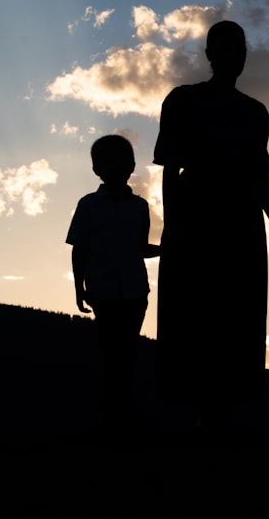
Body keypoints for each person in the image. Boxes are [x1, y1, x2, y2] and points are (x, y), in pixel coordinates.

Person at [153, 20, 269, 428]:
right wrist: (174, 222)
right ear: (211, 55)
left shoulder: (255, 112)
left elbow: (259, 177)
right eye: (228, 48)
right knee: (195, 315)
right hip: (195, 217)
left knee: (238, 316)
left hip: (242, 224)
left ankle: (225, 411)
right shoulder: (182, 101)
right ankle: (202, 412)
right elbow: (169, 168)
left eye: (241, 49)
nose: (237, 56)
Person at [66, 134, 159, 425]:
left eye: (120, 162)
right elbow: (79, 248)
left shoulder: (140, 207)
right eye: (108, 162)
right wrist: (79, 288)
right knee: (111, 352)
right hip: (103, 291)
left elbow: (140, 248)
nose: (115, 168)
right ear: (97, 168)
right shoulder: (88, 205)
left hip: (133, 291)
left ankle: (122, 410)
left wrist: (169, 249)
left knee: (127, 351)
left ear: (131, 165)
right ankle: (114, 410)